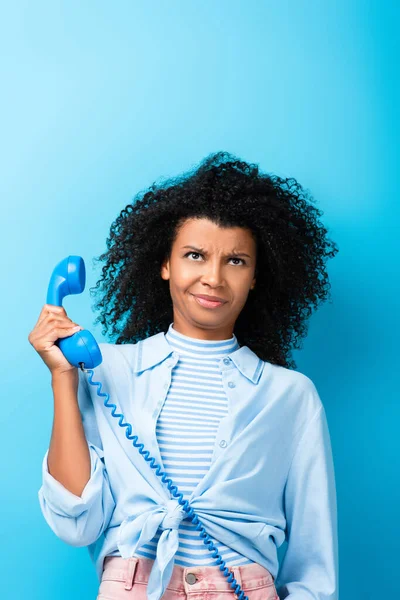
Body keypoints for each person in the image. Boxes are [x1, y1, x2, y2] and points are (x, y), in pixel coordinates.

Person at [29, 151, 339, 600]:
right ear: (165, 264)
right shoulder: (102, 369)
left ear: (256, 276)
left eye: (236, 261)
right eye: (195, 255)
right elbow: (77, 523)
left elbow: (316, 570)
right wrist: (63, 376)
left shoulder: (292, 396)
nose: (213, 278)